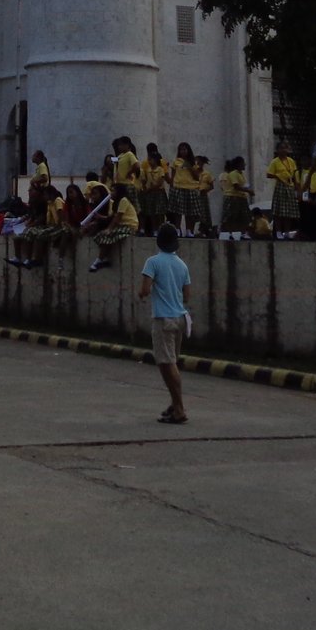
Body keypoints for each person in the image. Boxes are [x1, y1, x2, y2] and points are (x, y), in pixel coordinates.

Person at [139, 224, 193, 424]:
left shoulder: (152, 262)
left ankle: (179, 409)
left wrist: (143, 293)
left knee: (167, 363)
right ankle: (174, 403)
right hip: (180, 317)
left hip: (163, 318)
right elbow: (187, 295)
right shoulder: (182, 265)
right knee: (169, 362)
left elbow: (144, 290)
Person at [87, 184, 140, 272]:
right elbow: (111, 217)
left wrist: (109, 229)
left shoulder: (124, 200)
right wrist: (100, 217)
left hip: (129, 226)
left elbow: (117, 218)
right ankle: (105, 258)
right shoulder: (116, 203)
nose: (111, 193)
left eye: (113, 191)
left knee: (107, 235)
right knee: (100, 235)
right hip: (121, 225)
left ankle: (99, 260)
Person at [266, 143, 302, 239]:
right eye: (281, 148)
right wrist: (277, 176)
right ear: (277, 150)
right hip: (281, 187)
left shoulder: (291, 161)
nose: (283, 150)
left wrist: (298, 188)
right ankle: (278, 231)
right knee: (279, 211)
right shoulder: (275, 162)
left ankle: (286, 232)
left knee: (288, 212)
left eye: (285, 148)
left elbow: (294, 175)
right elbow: (268, 174)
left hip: (290, 187)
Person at [139, 143, 171, 232]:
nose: (150, 161)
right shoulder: (159, 162)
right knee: (151, 212)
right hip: (149, 192)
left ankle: (159, 229)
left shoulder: (159, 166)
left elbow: (162, 178)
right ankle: (154, 229)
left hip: (157, 191)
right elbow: (144, 177)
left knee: (159, 212)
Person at [218, 157, 251, 240]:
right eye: (243, 163)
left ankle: (242, 232)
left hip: (241, 197)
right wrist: (248, 191)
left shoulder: (241, 174)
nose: (244, 165)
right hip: (233, 197)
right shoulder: (233, 174)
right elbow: (236, 186)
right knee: (231, 216)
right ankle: (228, 232)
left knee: (243, 216)